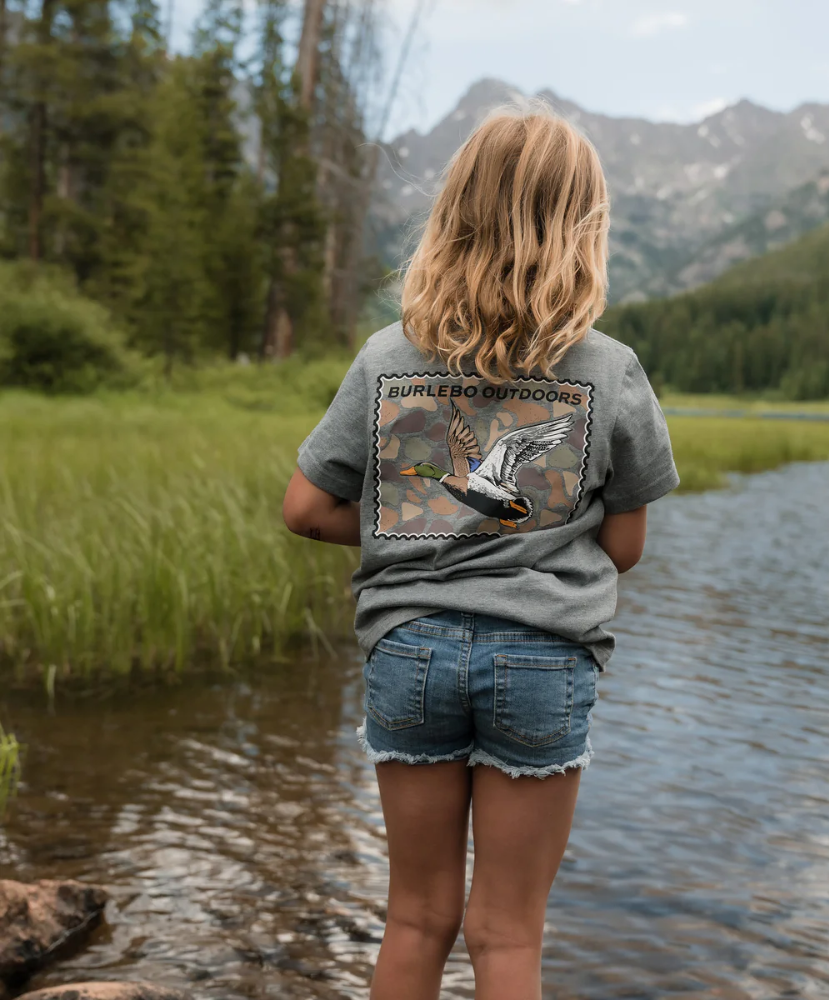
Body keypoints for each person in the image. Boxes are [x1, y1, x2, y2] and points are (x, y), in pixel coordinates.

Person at [282, 105, 679, 1000]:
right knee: (506, 938)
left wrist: (404, 524)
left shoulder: (388, 355)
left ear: (451, 217)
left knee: (415, 917)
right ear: (583, 231)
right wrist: (523, 533)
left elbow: (306, 510)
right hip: (543, 660)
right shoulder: (608, 370)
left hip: (409, 651)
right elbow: (623, 546)